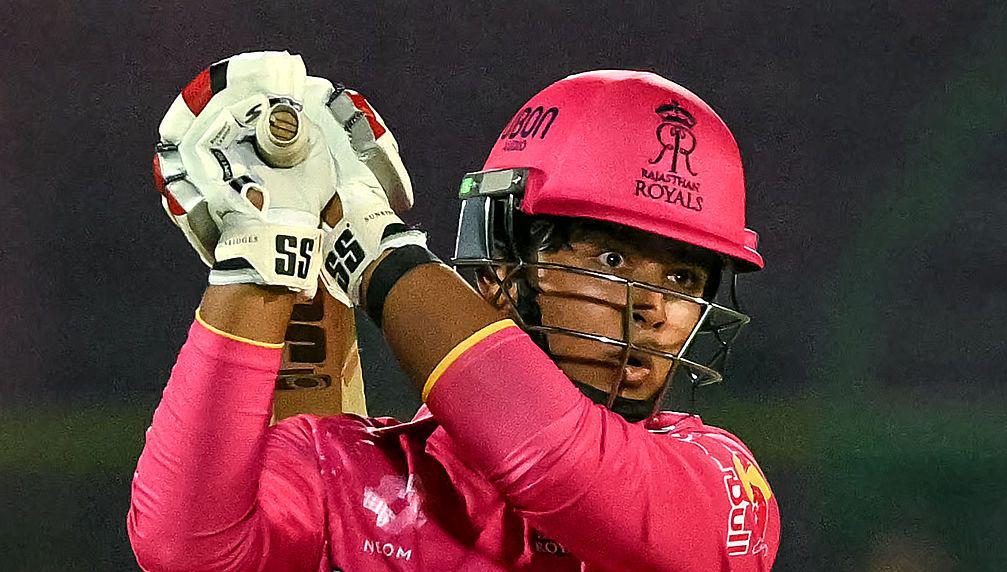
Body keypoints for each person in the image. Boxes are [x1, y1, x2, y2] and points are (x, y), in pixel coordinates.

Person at [129, 51, 779, 571]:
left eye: (682, 277)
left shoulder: (721, 482)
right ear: (500, 273)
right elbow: (186, 551)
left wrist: (370, 243)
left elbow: (559, 462)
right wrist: (261, 250)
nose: (656, 310)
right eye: (611, 262)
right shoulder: (351, 474)